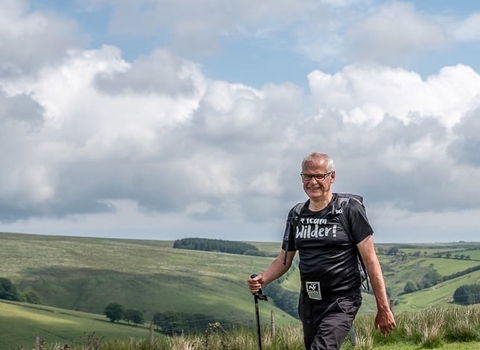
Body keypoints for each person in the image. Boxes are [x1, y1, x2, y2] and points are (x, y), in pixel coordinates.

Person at [247, 152, 396, 350]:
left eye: (319, 176)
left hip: (341, 300)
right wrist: (262, 279)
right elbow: (284, 259)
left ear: (332, 177)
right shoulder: (297, 214)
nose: (313, 182)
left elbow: (371, 262)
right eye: (307, 176)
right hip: (309, 303)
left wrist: (383, 308)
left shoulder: (349, 209)